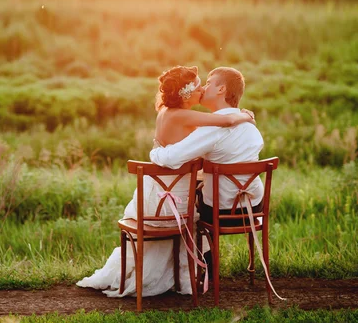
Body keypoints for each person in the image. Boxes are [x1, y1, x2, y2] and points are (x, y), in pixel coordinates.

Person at [76, 66, 255, 297]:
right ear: (186, 93)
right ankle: (190, 277)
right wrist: (246, 116)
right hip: (172, 204)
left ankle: (187, 276)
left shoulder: (166, 112)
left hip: (154, 198)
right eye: (198, 85)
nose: (201, 89)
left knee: (195, 213)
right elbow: (227, 121)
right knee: (196, 218)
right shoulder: (183, 115)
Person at [150, 66, 265, 278]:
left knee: (190, 202)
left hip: (220, 212)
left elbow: (171, 158)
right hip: (254, 207)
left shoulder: (210, 130)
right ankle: (204, 262)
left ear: (221, 89)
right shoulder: (251, 128)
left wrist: (155, 152)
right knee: (199, 188)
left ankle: (197, 263)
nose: (203, 88)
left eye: (209, 83)